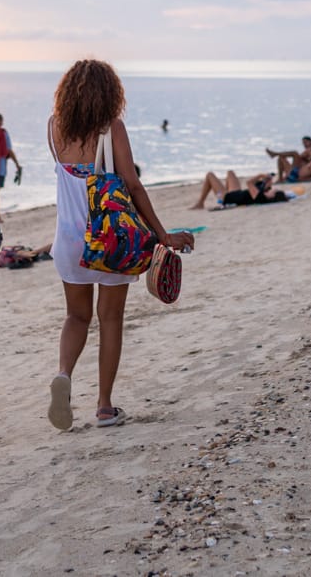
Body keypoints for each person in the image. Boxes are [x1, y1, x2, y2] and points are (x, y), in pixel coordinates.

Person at [46, 60, 195, 431]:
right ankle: (104, 407)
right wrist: (163, 235)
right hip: (110, 241)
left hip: (68, 240)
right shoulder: (111, 129)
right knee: (110, 319)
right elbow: (132, 185)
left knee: (76, 316)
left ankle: (64, 374)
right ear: (110, 93)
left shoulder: (54, 128)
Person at [192, 171, 287, 209]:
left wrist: (261, 175)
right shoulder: (263, 194)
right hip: (236, 193)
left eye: (274, 191)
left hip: (227, 198)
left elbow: (249, 183)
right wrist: (267, 183)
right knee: (230, 172)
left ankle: (201, 203)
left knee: (210, 175)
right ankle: (221, 192)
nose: (272, 190)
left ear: (272, 196)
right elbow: (258, 186)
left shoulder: (260, 197)